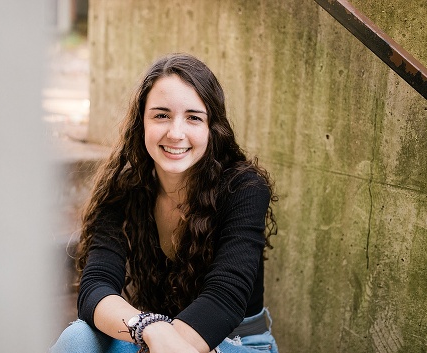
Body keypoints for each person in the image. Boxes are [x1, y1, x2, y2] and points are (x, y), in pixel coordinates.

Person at [50, 53, 279, 353]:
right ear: (141, 122)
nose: (176, 133)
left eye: (194, 118)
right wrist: (149, 329)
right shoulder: (124, 188)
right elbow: (96, 287)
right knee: (78, 339)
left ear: (212, 128)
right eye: (161, 115)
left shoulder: (243, 188)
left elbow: (224, 298)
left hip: (237, 343)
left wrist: (156, 338)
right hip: (156, 335)